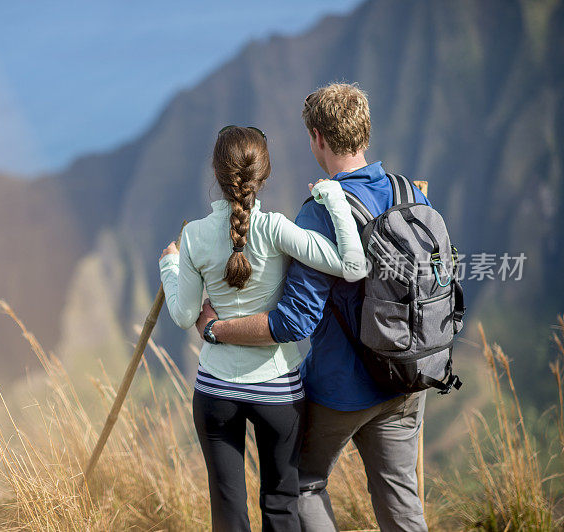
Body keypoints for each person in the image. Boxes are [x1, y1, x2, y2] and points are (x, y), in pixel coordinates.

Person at [195, 83, 432, 532]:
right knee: (399, 496)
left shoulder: (319, 211)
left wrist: (216, 329)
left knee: (300, 483)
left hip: (344, 387)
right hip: (407, 377)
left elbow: (293, 321)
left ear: (318, 139)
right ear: (365, 132)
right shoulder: (411, 195)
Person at [158, 124, 367, 531]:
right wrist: (334, 198)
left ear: (217, 174)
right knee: (281, 506)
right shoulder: (275, 228)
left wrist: (169, 263)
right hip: (278, 392)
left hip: (216, 390)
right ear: (263, 176)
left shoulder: (195, 235)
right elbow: (352, 266)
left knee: (227, 510)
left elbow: (185, 316)